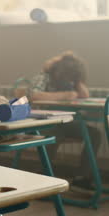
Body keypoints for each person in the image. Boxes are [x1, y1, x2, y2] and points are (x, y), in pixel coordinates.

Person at [30, 51, 101, 189]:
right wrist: (65, 94)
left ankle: (83, 176)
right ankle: (43, 175)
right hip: (44, 122)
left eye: (72, 77)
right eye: (66, 76)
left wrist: (78, 80)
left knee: (94, 134)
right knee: (55, 134)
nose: (68, 80)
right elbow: (34, 95)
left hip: (66, 122)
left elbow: (84, 95)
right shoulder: (44, 77)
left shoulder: (72, 80)